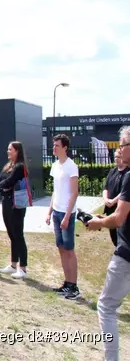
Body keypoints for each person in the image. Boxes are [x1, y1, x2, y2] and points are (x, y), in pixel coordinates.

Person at [86, 126, 130, 361]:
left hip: (127, 254)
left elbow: (120, 217)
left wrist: (99, 223)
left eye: (122, 144)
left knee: (106, 305)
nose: (119, 149)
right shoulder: (119, 173)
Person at [46, 133, 80, 299]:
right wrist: (50, 211)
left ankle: (74, 286)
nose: (54, 148)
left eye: (57, 145)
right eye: (53, 145)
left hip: (67, 212)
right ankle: (67, 283)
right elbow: (55, 191)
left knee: (69, 249)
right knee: (61, 248)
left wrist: (67, 216)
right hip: (57, 212)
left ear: (65, 147)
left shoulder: (71, 166)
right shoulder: (55, 165)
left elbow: (74, 193)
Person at [0, 141, 29, 279]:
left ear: (17, 151)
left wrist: (4, 186)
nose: (8, 151)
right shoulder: (8, 166)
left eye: (10, 149)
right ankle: (13, 264)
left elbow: (10, 181)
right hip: (6, 202)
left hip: (16, 204)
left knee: (18, 234)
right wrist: (4, 187)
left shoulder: (20, 167)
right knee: (11, 234)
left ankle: (23, 268)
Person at [103, 149, 128, 247]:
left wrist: (113, 201)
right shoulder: (112, 171)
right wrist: (106, 199)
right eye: (115, 157)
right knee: (113, 236)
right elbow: (106, 188)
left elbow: (124, 191)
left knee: (122, 237)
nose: (117, 159)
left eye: (119, 157)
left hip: (121, 209)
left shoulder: (127, 173)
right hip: (110, 209)